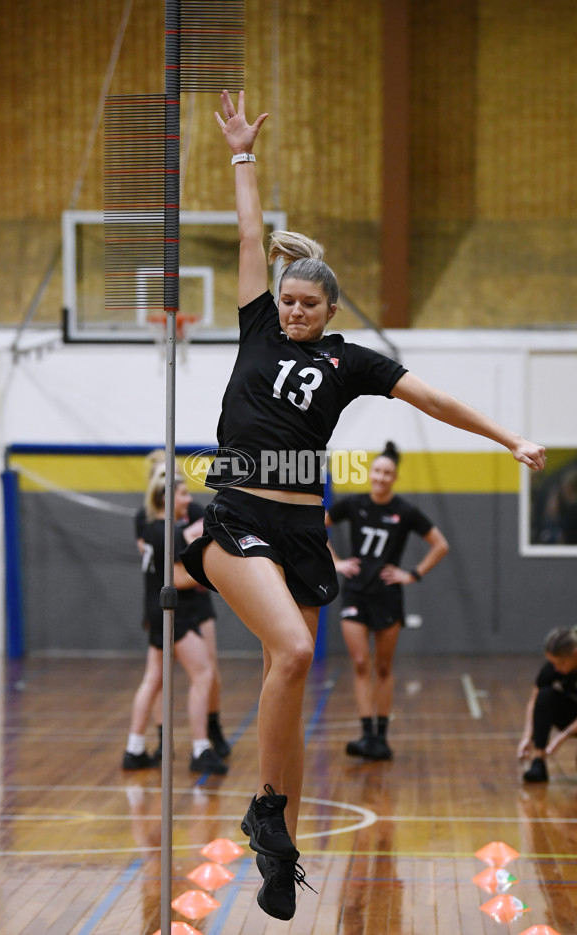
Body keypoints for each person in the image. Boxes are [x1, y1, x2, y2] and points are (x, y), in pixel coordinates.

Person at [179, 89, 546, 921]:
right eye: (286, 300)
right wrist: (242, 155)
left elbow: (437, 400)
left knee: (297, 667)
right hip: (236, 511)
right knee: (295, 653)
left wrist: (507, 437)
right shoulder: (254, 329)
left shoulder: (354, 361)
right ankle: (269, 816)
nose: (293, 309)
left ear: (330, 310)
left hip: (302, 523)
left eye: (307, 302)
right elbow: (247, 234)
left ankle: (277, 832)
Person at [326, 441, 449, 760]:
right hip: (355, 591)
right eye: (377, 471)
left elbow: (440, 544)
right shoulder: (353, 504)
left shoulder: (405, 512)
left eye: (387, 473)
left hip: (387, 595)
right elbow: (315, 526)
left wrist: (413, 574)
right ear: (371, 473)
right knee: (359, 663)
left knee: (383, 666)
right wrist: (336, 561)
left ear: (394, 478)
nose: (381, 477)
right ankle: (366, 735)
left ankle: (381, 737)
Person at [122, 469, 228, 775]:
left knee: (154, 678)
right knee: (203, 674)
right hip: (173, 615)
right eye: (182, 494)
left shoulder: (152, 529)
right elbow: (178, 578)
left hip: (156, 613)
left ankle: (134, 748)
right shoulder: (165, 532)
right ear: (166, 497)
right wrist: (215, 578)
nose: (188, 499)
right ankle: (200, 749)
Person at [517, 626, 577, 783]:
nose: (556, 668)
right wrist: (527, 737)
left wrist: (561, 737)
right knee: (545, 696)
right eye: (553, 663)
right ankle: (539, 761)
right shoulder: (554, 667)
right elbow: (534, 701)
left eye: (561, 663)